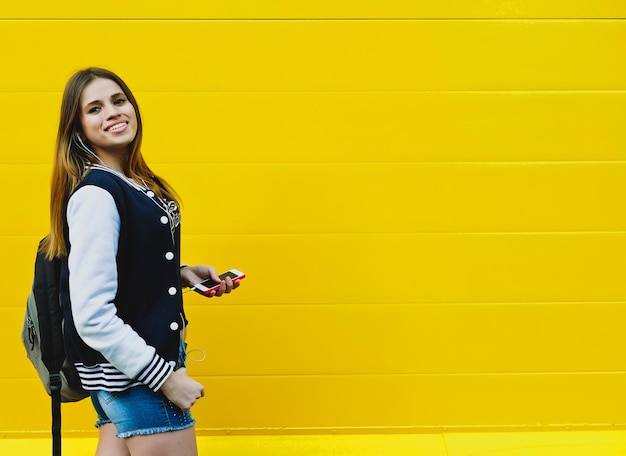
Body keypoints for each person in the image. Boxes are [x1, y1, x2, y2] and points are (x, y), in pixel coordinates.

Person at [40, 67, 240, 456]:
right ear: (78, 129)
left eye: (119, 100)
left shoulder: (132, 181)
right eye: (94, 109)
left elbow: (124, 269)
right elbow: (92, 314)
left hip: (126, 370)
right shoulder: (97, 195)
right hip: (138, 372)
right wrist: (167, 379)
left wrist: (180, 274)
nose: (113, 112)